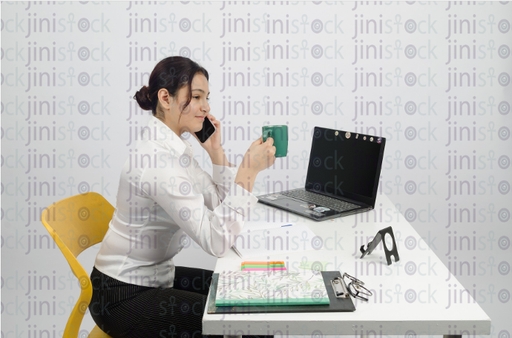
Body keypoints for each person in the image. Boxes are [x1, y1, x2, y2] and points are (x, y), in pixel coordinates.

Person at [89, 56, 276, 338]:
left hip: (155, 277)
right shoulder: (157, 161)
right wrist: (247, 173)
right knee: (244, 324)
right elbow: (217, 241)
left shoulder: (175, 151)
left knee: (251, 300)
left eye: (207, 97)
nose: (207, 107)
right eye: (197, 96)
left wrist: (215, 151)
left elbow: (219, 205)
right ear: (166, 98)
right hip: (120, 295)